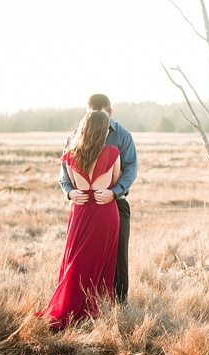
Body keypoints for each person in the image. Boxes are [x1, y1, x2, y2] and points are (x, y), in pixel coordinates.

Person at [38, 111, 121, 330]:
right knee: (101, 262)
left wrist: (73, 193)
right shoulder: (112, 152)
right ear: (103, 131)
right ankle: (93, 308)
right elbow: (114, 181)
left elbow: (71, 184)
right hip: (104, 211)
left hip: (81, 211)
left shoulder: (70, 154)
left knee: (76, 260)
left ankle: (70, 305)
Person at [60, 94, 138, 304]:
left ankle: (118, 303)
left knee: (117, 256)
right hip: (83, 205)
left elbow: (130, 168)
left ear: (110, 113)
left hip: (114, 202)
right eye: (91, 115)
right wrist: (69, 192)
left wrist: (114, 192)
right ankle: (83, 301)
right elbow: (64, 174)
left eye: (100, 115)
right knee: (80, 256)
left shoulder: (122, 136)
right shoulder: (75, 137)